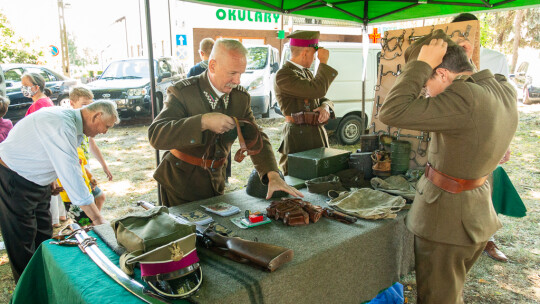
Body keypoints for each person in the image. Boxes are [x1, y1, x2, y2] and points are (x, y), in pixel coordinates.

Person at [379, 30, 518, 303]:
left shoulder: (464, 97)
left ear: (441, 73)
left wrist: (420, 65)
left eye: (425, 82)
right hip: (475, 214)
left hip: (447, 221)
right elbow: (477, 78)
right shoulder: (502, 87)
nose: (425, 93)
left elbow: (391, 112)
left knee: (437, 298)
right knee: (449, 293)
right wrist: (463, 59)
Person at [148, 38, 303, 206]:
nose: (238, 81)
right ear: (213, 65)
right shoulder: (183, 92)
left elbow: (255, 137)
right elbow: (156, 134)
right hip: (179, 185)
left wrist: (272, 174)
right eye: (232, 73)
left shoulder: (240, 98)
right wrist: (202, 122)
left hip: (216, 182)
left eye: (241, 74)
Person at [0, 100, 118, 282]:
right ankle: (29, 290)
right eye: (106, 126)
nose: (104, 132)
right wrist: (97, 218)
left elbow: (50, 153)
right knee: (22, 240)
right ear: (96, 116)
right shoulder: (62, 124)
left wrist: (51, 178)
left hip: (36, 181)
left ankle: (45, 278)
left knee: (44, 233)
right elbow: (72, 176)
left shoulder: (72, 123)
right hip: (13, 177)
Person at [453, 12, 517, 263]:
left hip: (487, 136)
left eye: (468, 30)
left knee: (484, 187)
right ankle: (457, 237)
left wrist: (505, 141)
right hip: (457, 134)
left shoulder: (495, 59)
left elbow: (507, 103)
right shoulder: (445, 59)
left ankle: (487, 239)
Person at [274, 30, 338, 175]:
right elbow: (317, 90)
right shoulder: (284, 75)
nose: (315, 58)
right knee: (298, 178)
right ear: (305, 52)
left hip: (315, 134)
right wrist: (324, 62)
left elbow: (322, 98)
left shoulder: (305, 72)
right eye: (314, 54)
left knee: (320, 174)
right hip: (298, 137)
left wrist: (325, 106)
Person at [69, 87, 111, 211]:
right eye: (83, 105)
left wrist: (104, 165)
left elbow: (92, 145)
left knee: (98, 197)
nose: (88, 109)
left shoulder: (87, 124)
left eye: (90, 105)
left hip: (85, 166)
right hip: (77, 167)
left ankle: (93, 223)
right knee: (93, 198)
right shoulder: (72, 124)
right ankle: (92, 223)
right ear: (72, 103)